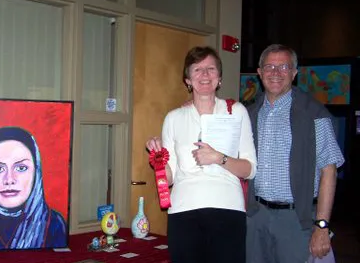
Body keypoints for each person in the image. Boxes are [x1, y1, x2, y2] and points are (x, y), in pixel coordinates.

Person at [146, 46, 257, 263]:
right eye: (197, 69)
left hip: (228, 209)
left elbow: (251, 169)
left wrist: (219, 158)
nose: (204, 75)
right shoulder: (173, 118)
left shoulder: (236, 111)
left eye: (211, 69)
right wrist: (159, 160)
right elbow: (168, 179)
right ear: (187, 80)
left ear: (219, 77)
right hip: (183, 211)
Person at [246, 44, 344, 263]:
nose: (276, 72)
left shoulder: (314, 115)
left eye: (284, 67)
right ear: (260, 73)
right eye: (269, 66)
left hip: (295, 219)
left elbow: (329, 170)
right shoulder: (249, 113)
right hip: (255, 215)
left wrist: (321, 226)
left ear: (294, 73)